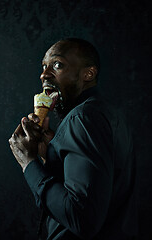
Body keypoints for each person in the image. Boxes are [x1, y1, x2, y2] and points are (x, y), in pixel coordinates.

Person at [9, 38, 138, 240]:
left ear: (88, 73)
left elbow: (81, 219)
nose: (44, 74)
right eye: (44, 67)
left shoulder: (82, 118)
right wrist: (49, 154)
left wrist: (28, 163)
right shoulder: (107, 114)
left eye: (57, 65)